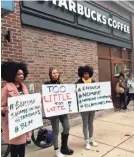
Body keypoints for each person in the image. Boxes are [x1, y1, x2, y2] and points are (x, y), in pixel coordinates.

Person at [1, 61, 31, 157]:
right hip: (12, 122)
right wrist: (4, 110)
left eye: (22, 74)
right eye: (18, 74)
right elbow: (2, 105)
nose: (21, 76)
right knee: (14, 147)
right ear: (13, 75)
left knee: (22, 145)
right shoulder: (6, 88)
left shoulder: (24, 87)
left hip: (23, 121)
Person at [44, 67, 74, 157]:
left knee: (67, 127)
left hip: (62, 109)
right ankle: (56, 150)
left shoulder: (61, 83)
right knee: (55, 130)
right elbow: (46, 97)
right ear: (50, 74)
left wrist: (73, 92)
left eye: (57, 72)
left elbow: (67, 94)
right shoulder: (46, 84)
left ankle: (64, 147)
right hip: (53, 111)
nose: (56, 74)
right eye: (53, 73)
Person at [76, 65, 98, 150]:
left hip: (92, 107)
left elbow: (97, 93)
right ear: (82, 74)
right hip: (83, 107)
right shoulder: (78, 83)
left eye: (88, 73)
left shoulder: (93, 82)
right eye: (85, 74)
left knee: (91, 123)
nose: (86, 75)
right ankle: (87, 141)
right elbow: (74, 94)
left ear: (90, 74)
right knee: (85, 124)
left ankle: (91, 139)